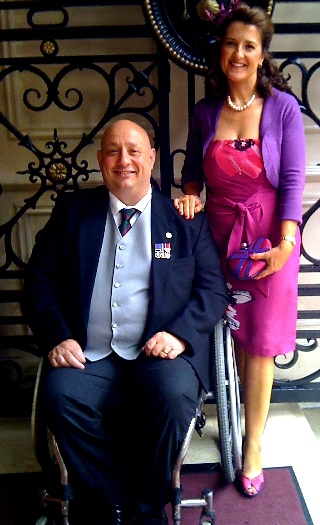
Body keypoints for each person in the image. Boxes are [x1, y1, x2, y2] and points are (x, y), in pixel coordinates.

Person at [22, 119, 228, 525]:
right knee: (60, 398)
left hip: (160, 351)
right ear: (100, 160)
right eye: (113, 151)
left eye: (134, 150)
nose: (124, 160)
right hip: (88, 351)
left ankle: (147, 504)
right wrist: (58, 336)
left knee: (173, 400)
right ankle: (108, 501)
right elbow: (38, 282)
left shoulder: (186, 221)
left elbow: (213, 292)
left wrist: (181, 337)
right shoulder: (72, 212)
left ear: (151, 158)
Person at [174, 2, 305, 497]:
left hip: (269, 239)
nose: (239, 53)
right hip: (217, 238)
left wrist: (286, 243)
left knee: (260, 343)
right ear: (220, 51)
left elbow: (292, 179)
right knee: (211, 324)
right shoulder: (207, 111)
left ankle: (253, 445)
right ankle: (198, 412)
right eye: (231, 43)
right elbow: (191, 171)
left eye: (249, 45)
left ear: (262, 54)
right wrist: (189, 195)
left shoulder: (283, 108)